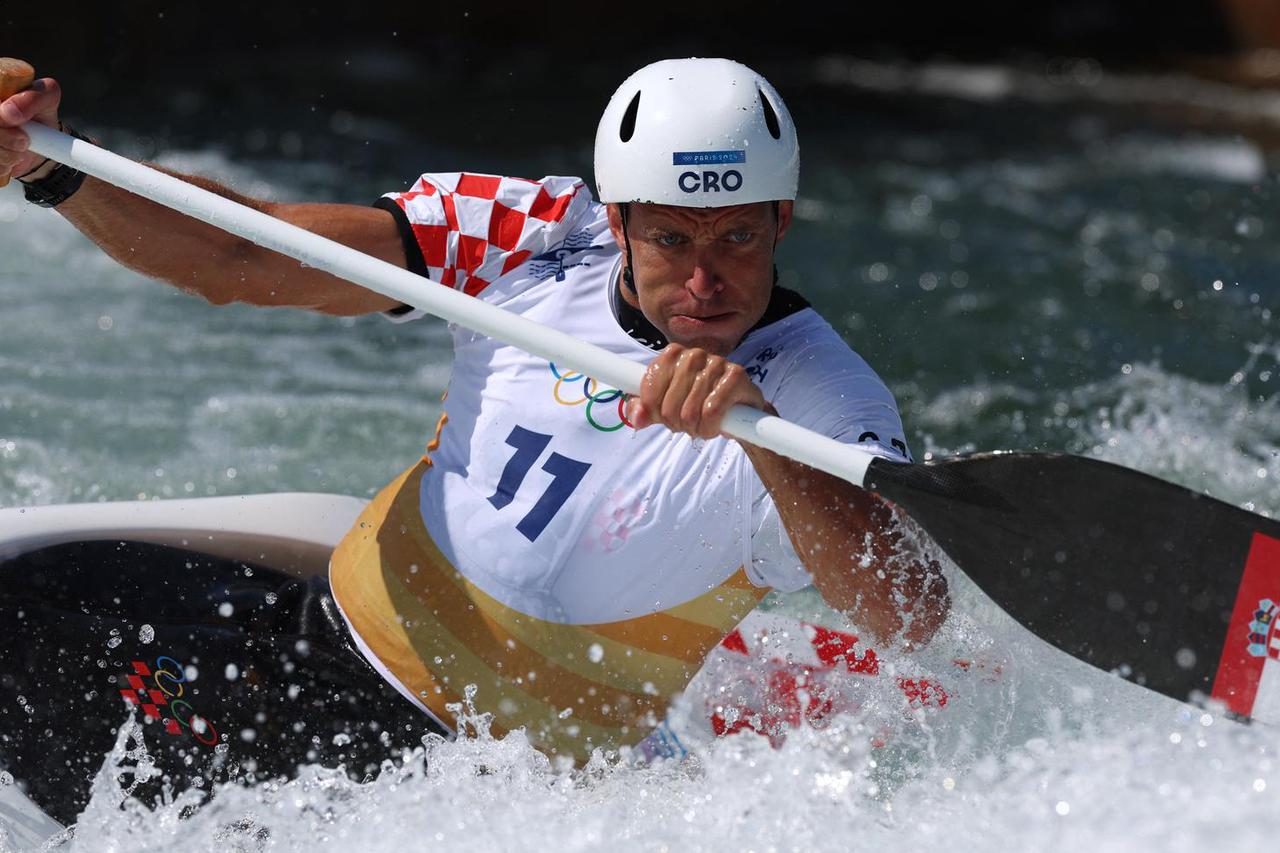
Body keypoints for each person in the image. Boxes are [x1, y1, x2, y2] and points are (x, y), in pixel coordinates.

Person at [0, 57, 949, 821]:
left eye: (738, 239)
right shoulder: (537, 235)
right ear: (617, 221)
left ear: (782, 219)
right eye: (672, 241)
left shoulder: (824, 400)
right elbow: (241, 255)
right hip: (320, 632)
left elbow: (911, 613)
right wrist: (48, 164)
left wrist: (768, 443)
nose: (706, 282)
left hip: (465, 786)